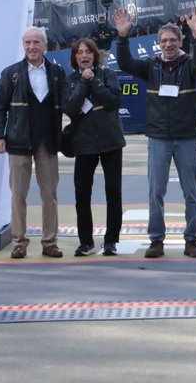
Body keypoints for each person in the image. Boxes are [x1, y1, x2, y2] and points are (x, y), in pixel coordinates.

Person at [112, 5, 196, 259]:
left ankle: (192, 240)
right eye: (164, 41)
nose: (168, 44)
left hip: (186, 138)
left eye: (173, 40)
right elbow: (124, 62)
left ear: (180, 42)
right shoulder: (150, 67)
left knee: (191, 192)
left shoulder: (190, 66)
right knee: (156, 192)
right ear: (158, 43)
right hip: (158, 139)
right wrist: (122, 37)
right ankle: (156, 240)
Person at [0, 26, 68, 259]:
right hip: (18, 141)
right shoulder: (10, 74)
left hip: (48, 141)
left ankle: (50, 242)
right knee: (18, 195)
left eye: (36, 42)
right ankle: (19, 242)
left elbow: (69, 104)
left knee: (49, 194)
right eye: (27, 43)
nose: (32, 47)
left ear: (45, 45)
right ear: (23, 46)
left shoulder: (57, 72)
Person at [62, 37, 126, 257]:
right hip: (83, 143)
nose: (84, 56)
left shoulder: (107, 74)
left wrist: (95, 82)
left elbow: (113, 102)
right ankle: (86, 241)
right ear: (74, 57)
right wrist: (83, 83)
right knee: (82, 194)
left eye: (88, 52)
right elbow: (69, 109)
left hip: (111, 142)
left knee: (113, 192)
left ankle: (111, 241)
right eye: (79, 52)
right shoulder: (70, 80)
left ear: (94, 55)